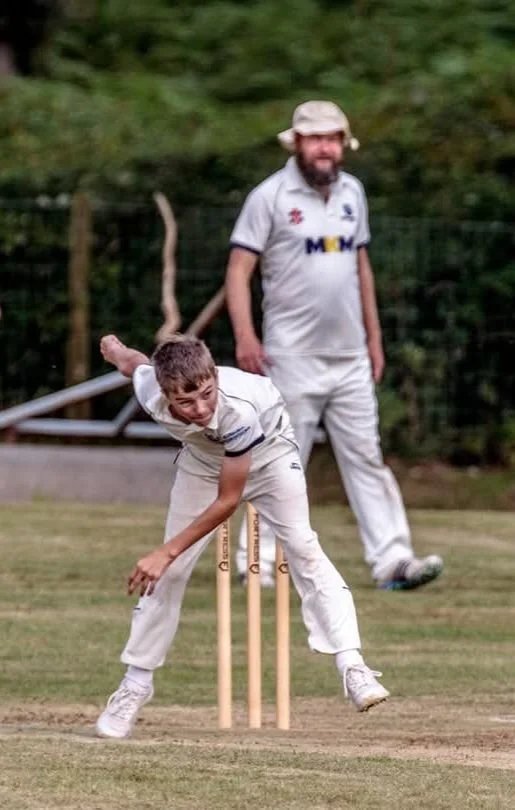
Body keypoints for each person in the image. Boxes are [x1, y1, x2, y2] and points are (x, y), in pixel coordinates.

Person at [95, 332, 389, 739]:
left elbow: (228, 502)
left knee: (303, 548)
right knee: (171, 574)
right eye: (185, 401)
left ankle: (352, 666)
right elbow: (136, 364)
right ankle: (135, 684)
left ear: (214, 375)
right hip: (201, 463)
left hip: (271, 457)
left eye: (205, 393)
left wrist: (166, 550)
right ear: (165, 394)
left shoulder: (238, 408)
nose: (199, 408)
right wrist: (114, 350)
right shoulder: (150, 389)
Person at [225, 100, 444, 591]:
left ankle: (392, 561)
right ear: (297, 142)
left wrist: (375, 337)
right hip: (290, 356)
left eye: (333, 138)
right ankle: (254, 561)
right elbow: (239, 271)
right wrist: (246, 338)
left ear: (343, 144)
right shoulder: (271, 196)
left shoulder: (353, 193)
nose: (325, 147)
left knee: (366, 457)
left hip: (349, 358)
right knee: (281, 457)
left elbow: (359, 267)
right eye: (315, 138)